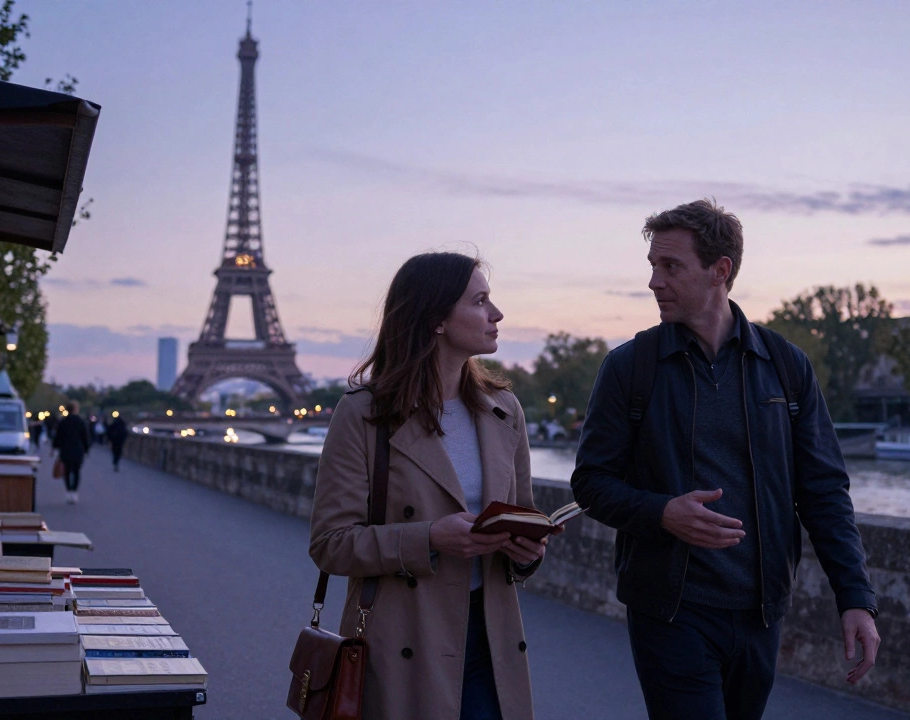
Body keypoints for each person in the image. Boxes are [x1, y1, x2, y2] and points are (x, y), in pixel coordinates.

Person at [571, 199, 880, 720]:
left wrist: (856, 597)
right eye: (652, 265)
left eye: (670, 266)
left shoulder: (785, 366)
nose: (653, 281)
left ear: (721, 270)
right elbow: (591, 482)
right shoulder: (631, 368)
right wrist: (663, 513)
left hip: (761, 615)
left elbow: (824, 492)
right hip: (670, 612)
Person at [309, 252, 545, 720]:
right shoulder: (363, 414)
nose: (496, 314)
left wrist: (528, 552)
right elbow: (330, 544)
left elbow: (524, 515)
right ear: (436, 318)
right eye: (480, 301)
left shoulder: (504, 412)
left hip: (491, 638)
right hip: (404, 639)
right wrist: (430, 537)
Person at [53, 401, 92, 504]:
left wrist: (54, 448)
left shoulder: (63, 422)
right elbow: (85, 437)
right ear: (76, 409)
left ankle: (68, 491)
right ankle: (74, 492)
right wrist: (87, 450)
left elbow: (58, 437)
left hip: (65, 450)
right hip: (78, 450)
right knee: (76, 471)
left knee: (66, 471)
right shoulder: (81, 421)